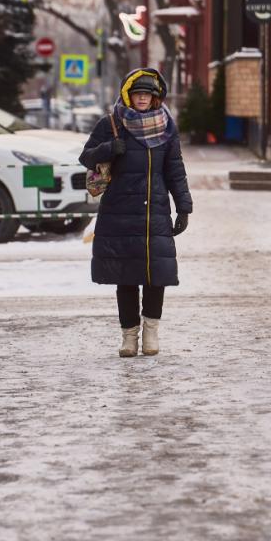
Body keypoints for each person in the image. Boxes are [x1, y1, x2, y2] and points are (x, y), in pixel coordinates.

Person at [79, 68, 193, 357]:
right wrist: (108, 148)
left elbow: (175, 168)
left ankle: (151, 333)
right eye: (137, 94)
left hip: (154, 210)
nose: (142, 99)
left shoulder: (167, 126)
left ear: (155, 98)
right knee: (125, 277)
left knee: (157, 275)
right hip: (119, 211)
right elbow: (86, 157)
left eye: (147, 94)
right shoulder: (112, 123)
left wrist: (184, 207)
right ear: (128, 95)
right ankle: (129, 337)